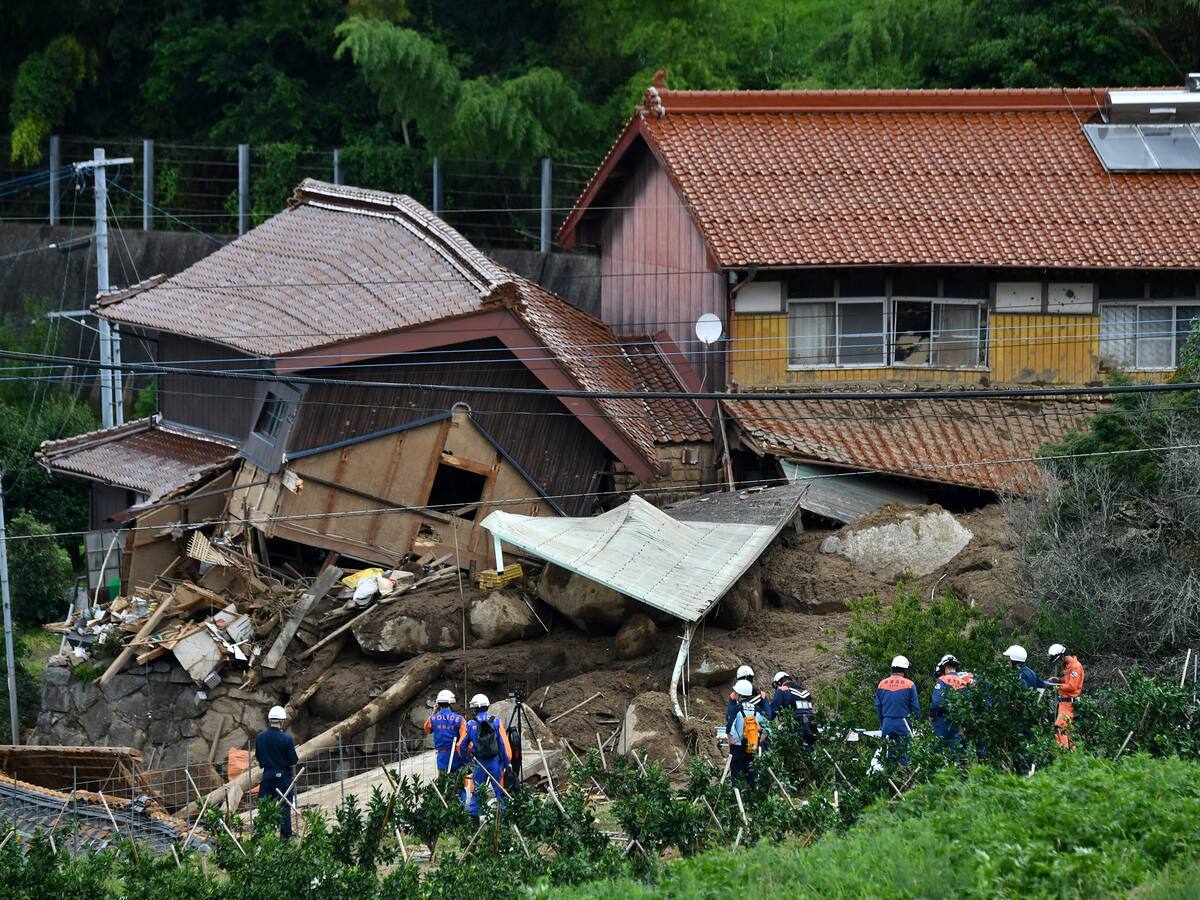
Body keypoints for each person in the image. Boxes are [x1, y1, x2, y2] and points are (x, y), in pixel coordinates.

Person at [462, 693, 513, 821]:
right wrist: (507, 763)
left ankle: (474, 820)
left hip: (479, 763)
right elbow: (503, 744)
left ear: (475, 708)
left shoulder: (470, 724)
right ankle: (504, 820)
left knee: (477, 791)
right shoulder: (496, 721)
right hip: (495, 763)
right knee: (500, 791)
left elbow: (461, 745)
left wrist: (467, 760)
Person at [256, 705, 298, 840]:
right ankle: (285, 837)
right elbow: (293, 761)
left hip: (267, 776)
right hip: (283, 777)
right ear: (281, 721)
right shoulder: (286, 739)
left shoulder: (260, 737)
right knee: (285, 807)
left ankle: (264, 835)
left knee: (265, 807)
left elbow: (259, 757)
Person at [930, 654, 979, 758]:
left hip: (941, 721)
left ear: (945, 667)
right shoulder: (964, 681)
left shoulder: (942, 680)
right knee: (955, 752)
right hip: (957, 722)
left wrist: (931, 716)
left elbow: (936, 703)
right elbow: (968, 703)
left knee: (937, 752)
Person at [424, 689, 467, 800]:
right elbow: (464, 739)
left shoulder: (433, 719)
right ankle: (460, 806)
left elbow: (427, 729)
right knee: (459, 784)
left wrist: (434, 712)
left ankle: (445, 806)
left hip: (442, 756)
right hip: (456, 755)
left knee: (444, 784)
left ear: (438, 704)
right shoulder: (459, 719)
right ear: (451, 703)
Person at [876, 655, 920, 765]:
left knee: (889, 759)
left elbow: (878, 707)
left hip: (887, 723)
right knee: (906, 757)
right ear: (905, 670)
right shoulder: (909, 684)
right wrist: (917, 724)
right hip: (903, 724)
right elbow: (915, 707)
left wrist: (882, 723)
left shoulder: (882, 684)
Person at [728, 679, 769, 788]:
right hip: (752, 745)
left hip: (737, 748)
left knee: (737, 778)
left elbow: (729, 726)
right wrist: (758, 740)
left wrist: (731, 741)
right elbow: (768, 728)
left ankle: (737, 796)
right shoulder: (757, 709)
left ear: (739, 694)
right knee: (752, 776)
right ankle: (752, 796)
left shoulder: (736, 709)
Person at [768, 671, 817, 751]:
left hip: (793, 728)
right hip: (810, 727)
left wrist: (764, 719)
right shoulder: (806, 692)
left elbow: (773, 710)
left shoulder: (782, 690)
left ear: (779, 683)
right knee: (808, 753)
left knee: (790, 754)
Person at [1048, 644, 1085, 750]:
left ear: (1062, 657)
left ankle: (1063, 752)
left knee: (1061, 728)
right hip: (1064, 703)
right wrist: (1059, 680)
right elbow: (1067, 682)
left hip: (1069, 703)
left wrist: (1057, 687)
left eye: (1059, 660)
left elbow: (1072, 686)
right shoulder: (1069, 667)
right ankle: (1072, 752)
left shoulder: (1075, 667)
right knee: (1068, 730)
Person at [725, 664, 769, 732]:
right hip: (756, 731)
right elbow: (768, 717)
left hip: (744, 731)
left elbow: (729, 717)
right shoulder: (761, 695)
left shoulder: (734, 695)